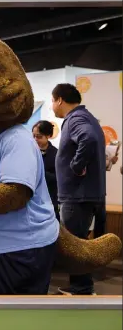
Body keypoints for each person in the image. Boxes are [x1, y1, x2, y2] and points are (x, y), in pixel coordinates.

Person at [52, 83, 106, 295]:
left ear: (60, 100)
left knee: (75, 243)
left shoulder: (75, 119)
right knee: (79, 241)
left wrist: (76, 165)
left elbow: (88, 139)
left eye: (52, 101)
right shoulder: (87, 117)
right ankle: (80, 285)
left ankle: (81, 287)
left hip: (77, 195)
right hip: (84, 194)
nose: (52, 106)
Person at [32, 120, 60, 221]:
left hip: (50, 201)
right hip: (31, 200)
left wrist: (39, 172)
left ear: (48, 136)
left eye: (39, 137)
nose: (35, 139)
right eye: (33, 136)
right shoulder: (29, 152)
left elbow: (59, 179)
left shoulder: (56, 154)